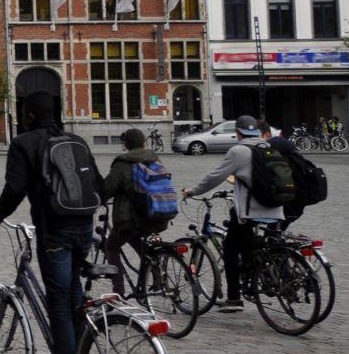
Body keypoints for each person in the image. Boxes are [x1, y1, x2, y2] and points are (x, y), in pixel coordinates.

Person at [0, 92, 103, 354]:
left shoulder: (25, 143)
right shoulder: (76, 141)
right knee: (74, 292)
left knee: (60, 302)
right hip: (85, 226)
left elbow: (15, 189)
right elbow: (98, 185)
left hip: (55, 231)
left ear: (30, 115)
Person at [183, 114, 284, 312]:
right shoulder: (268, 147)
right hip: (276, 206)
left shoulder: (239, 151)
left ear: (238, 132)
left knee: (230, 247)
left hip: (250, 210)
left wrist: (192, 191)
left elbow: (214, 177)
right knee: (250, 245)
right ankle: (255, 275)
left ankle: (234, 297)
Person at [100, 128, 163, 296]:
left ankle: (117, 293)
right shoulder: (154, 158)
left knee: (111, 246)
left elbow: (107, 189)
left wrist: (97, 199)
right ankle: (157, 278)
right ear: (144, 143)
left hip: (131, 217)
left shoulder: (123, 163)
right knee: (136, 239)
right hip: (157, 214)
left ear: (125, 145)